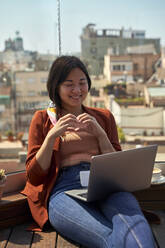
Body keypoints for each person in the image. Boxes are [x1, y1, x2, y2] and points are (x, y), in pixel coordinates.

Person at [22, 56, 156, 248]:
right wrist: (51, 137)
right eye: (69, 84)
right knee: (106, 237)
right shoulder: (43, 119)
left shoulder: (103, 116)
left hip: (106, 184)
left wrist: (100, 134)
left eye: (82, 83)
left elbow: (118, 166)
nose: (77, 90)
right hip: (63, 190)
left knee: (134, 224)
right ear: (56, 87)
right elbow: (34, 176)